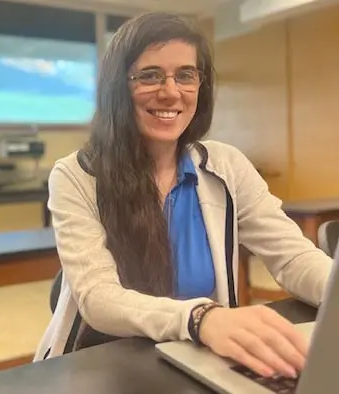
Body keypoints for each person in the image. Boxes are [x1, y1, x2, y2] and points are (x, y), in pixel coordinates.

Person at [36, 11, 332, 381]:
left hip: (202, 360)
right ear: (117, 86)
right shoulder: (76, 176)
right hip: (104, 365)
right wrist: (201, 318)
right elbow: (98, 299)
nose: (171, 91)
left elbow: (293, 258)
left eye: (185, 75)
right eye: (150, 75)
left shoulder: (226, 166)